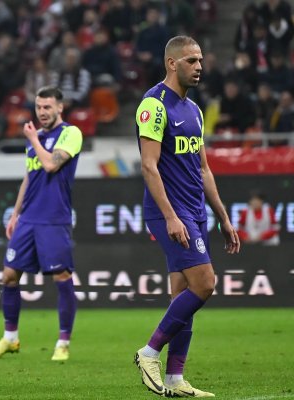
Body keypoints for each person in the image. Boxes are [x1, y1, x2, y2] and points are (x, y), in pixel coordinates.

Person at [134, 36, 240, 397]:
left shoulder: (193, 110)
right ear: (172, 63)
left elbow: (203, 169)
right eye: (191, 61)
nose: (199, 67)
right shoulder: (154, 105)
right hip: (171, 211)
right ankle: (149, 353)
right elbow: (149, 166)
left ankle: (175, 378)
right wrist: (170, 217)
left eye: (201, 60)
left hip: (195, 211)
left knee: (183, 293)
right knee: (205, 283)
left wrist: (222, 216)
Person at [0, 86, 82, 362]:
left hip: (54, 218)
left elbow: (50, 164)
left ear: (60, 107)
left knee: (62, 277)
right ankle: (10, 338)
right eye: (39, 107)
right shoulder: (35, 137)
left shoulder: (70, 133)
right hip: (28, 218)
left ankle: (63, 342)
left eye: (47, 107)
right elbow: (30, 176)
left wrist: (33, 140)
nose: (42, 112)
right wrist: (16, 214)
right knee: (8, 276)